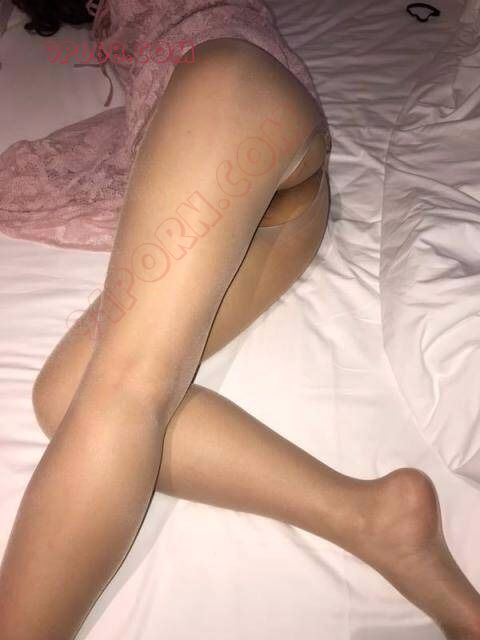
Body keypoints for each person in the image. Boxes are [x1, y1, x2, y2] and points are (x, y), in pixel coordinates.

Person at [0, 2, 479, 639]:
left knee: (124, 385)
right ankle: (369, 517)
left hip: (227, 82)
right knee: (65, 395)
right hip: (267, 190)